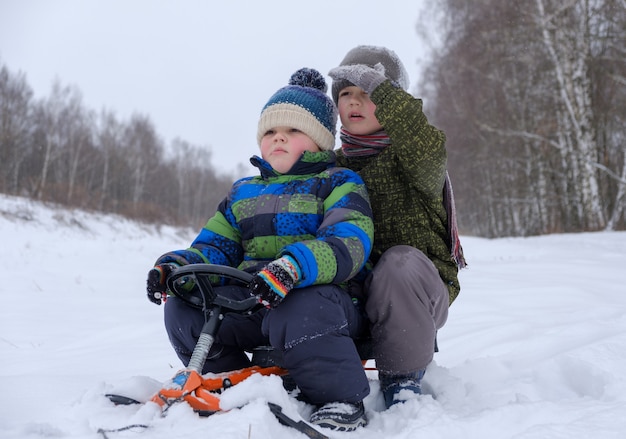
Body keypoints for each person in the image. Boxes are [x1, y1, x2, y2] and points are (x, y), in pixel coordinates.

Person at [145, 68, 374, 432]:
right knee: (183, 308)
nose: (279, 137)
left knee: (300, 309)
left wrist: (293, 267)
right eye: (270, 131)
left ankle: (340, 398)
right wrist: (174, 268)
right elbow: (212, 248)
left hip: (324, 301)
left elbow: (348, 241)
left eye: (294, 130)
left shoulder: (337, 182)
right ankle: (232, 382)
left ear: (319, 139)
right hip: (253, 300)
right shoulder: (242, 192)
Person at [328, 45, 467, 409]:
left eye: (368, 93)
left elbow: (424, 144)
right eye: (346, 94)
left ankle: (402, 380)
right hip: (357, 291)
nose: (355, 102)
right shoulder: (334, 167)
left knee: (398, 263)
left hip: (418, 291)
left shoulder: (416, 163)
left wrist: (385, 89)